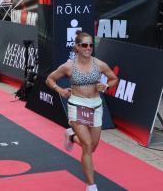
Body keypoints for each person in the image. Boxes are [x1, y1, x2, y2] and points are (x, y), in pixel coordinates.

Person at [45, 32, 118, 191]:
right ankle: (91, 185)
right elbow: (50, 79)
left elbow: (113, 78)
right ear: (77, 47)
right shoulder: (68, 66)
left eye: (91, 45)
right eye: (84, 45)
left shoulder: (99, 64)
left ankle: (71, 136)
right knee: (87, 145)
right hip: (77, 106)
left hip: (96, 106)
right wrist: (59, 89)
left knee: (92, 147)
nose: (88, 48)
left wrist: (106, 86)